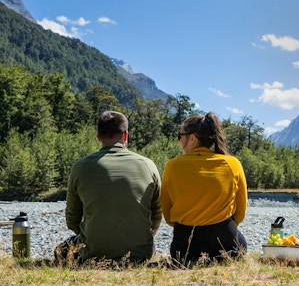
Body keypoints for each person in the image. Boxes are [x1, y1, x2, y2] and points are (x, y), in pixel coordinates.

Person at [55, 110, 162, 264]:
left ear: (99, 138)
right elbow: (157, 214)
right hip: (140, 253)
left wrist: (93, 236)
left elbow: (72, 219)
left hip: (92, 252)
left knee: (60, 251)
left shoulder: (80, 167)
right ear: (125, 135)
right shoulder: (148, 165)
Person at [160, 112, 248, 267]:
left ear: (192, 138)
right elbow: (240, 213)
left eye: (179, 136)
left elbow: (167, 214)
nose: (179, 141)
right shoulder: (232, 164)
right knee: (241, 242)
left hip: (184, 248)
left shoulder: (172, 166)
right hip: (225, 246)